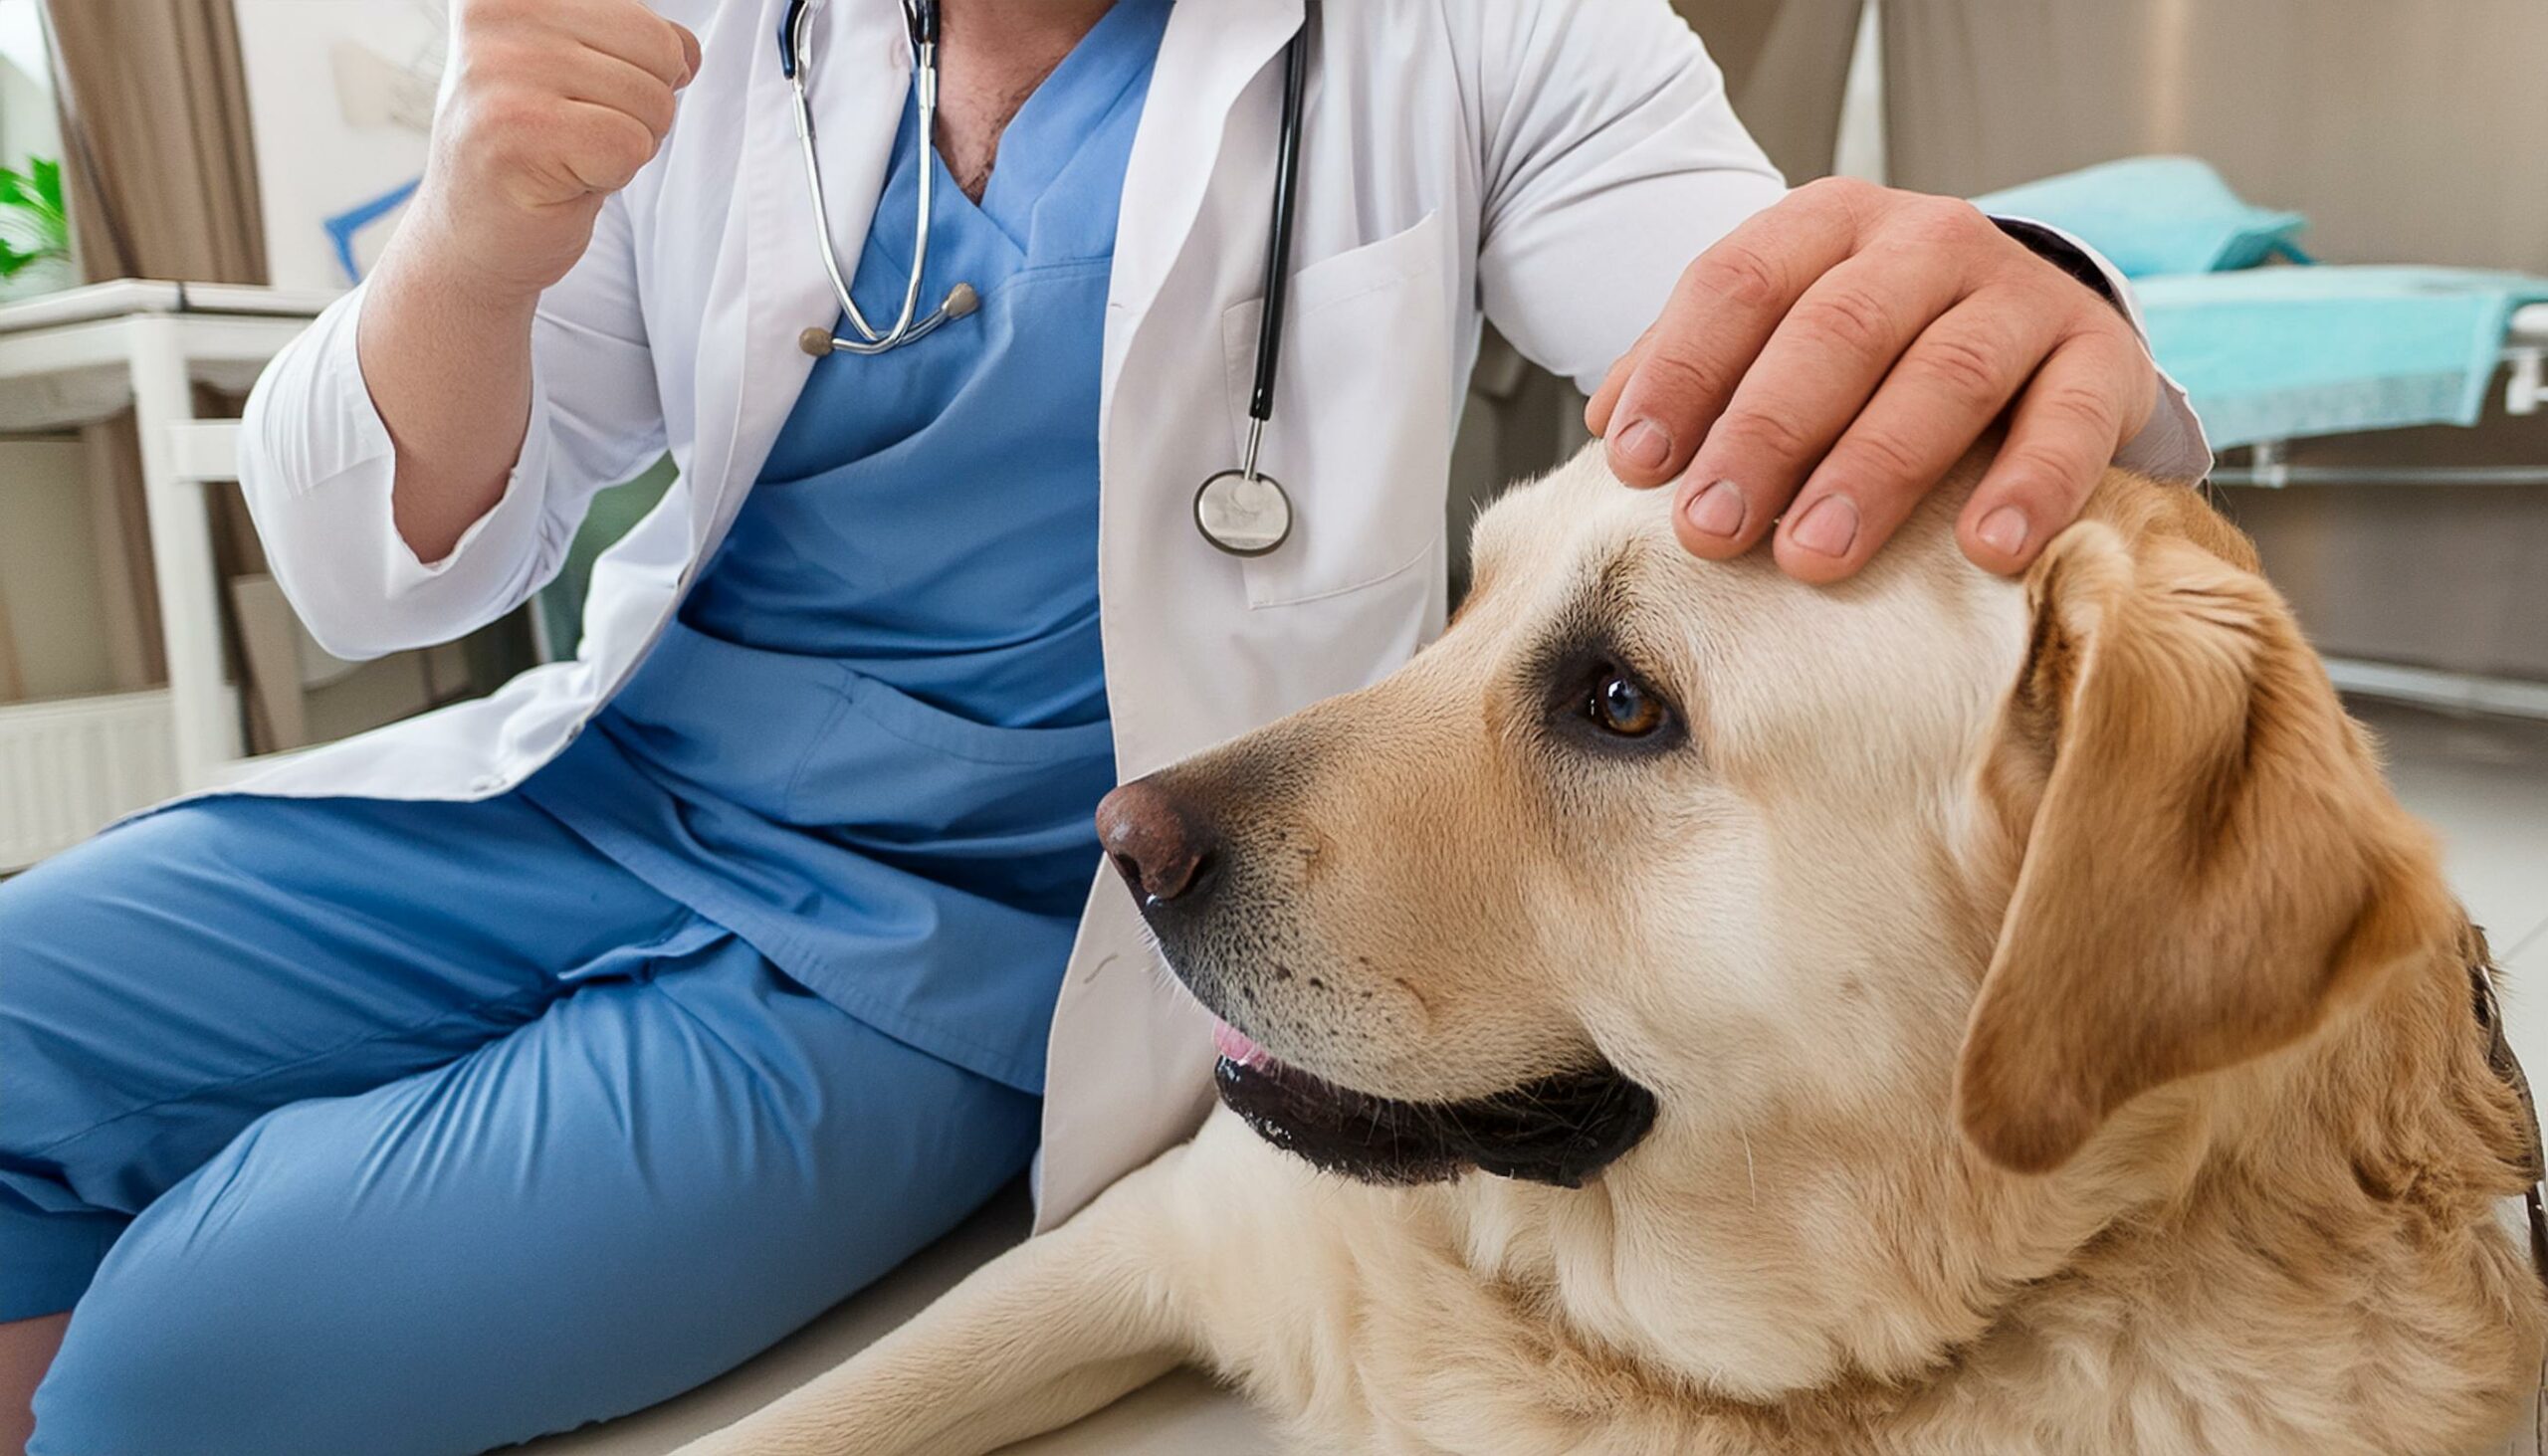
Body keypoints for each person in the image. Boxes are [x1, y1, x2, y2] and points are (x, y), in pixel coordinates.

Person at [0, 1, 2208, 1451]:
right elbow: (389, 565)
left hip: (945, 949)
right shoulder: (702, 34)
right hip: (602, 786)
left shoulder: (1481, 27)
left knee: (183, 1358)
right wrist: (471, 244)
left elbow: (1807, 364)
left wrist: (2024, 302)